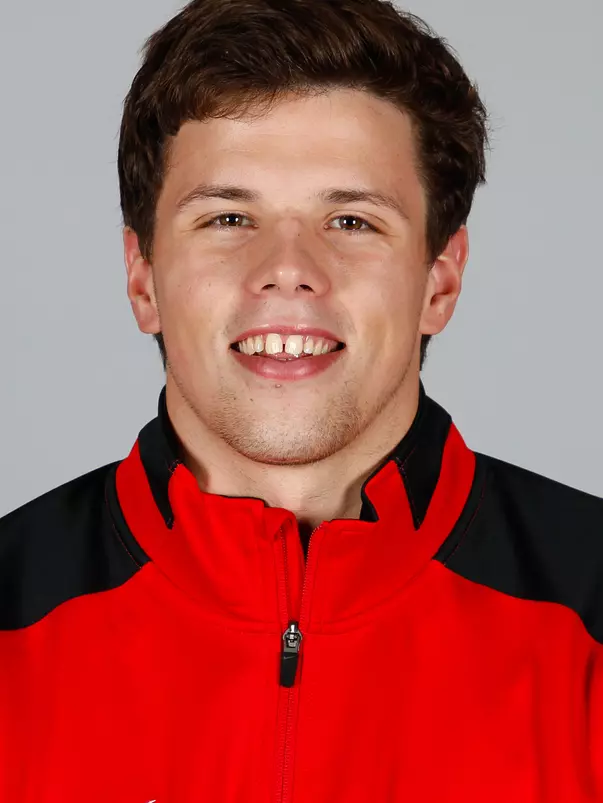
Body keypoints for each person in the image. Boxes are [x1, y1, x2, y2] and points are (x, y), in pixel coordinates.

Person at [0, 0, 601, 800]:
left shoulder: (587, 616)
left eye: (350, 219)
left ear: (438, 281)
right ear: (143, 279)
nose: (287, 268)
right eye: (227, 217)